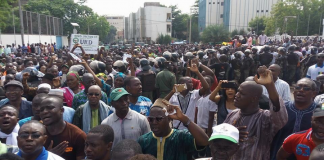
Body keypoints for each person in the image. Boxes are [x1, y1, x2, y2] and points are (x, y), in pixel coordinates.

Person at [223, 66, 288, 160]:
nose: (237, 95)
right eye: (238, 92)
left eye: (242, 94)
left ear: (254, 98)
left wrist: (270, 86)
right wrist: (231, 134)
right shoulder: (232, 114)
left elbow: (279, 116)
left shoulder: (264, 117)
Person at [138, 98, 209, 160]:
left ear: (169, 119)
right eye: (150, 119)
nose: (154, 122)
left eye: (158, 119)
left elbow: (205, 141)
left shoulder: (181, 137)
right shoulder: (144, 141)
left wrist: (184, 119)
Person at [270, 78, 317, 160]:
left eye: (306, 88)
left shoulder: (319, 112)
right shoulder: (282, 108)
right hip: (279, 155)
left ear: (314, 93)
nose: (301, 90)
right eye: (298, 87)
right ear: (293, 91)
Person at [40, 95, 86, 160]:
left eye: (50, 108)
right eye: (41, 110)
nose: (44, 112)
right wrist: (48, 156)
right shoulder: (37, 135)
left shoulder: (78, 135)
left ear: (61, 110)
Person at [165, 63, 209, 130]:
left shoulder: (194, 94)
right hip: (177, 128)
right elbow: (162, 102)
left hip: (190, 128)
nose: (192, 84)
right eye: (189, 82)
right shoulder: (174, 96)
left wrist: (197, 72)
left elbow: (206, 87)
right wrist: (172, 91)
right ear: (182, 84)